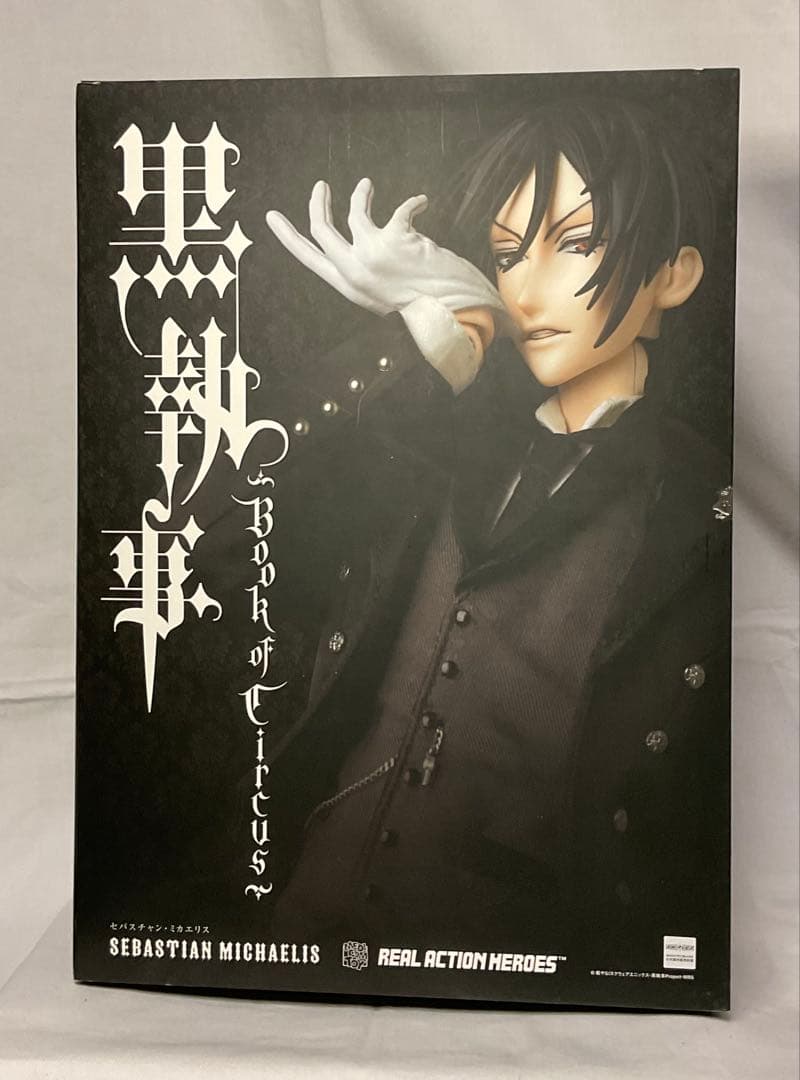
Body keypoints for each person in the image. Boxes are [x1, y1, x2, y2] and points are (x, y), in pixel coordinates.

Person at [259, 97, 731, 986]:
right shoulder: (440, 434)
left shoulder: (708, 514)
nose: (524, 289)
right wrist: (426, 351)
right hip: (300, 932)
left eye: (577, 242)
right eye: (507, 255)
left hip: (517, 976)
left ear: (674, 275)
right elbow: (225, 543)